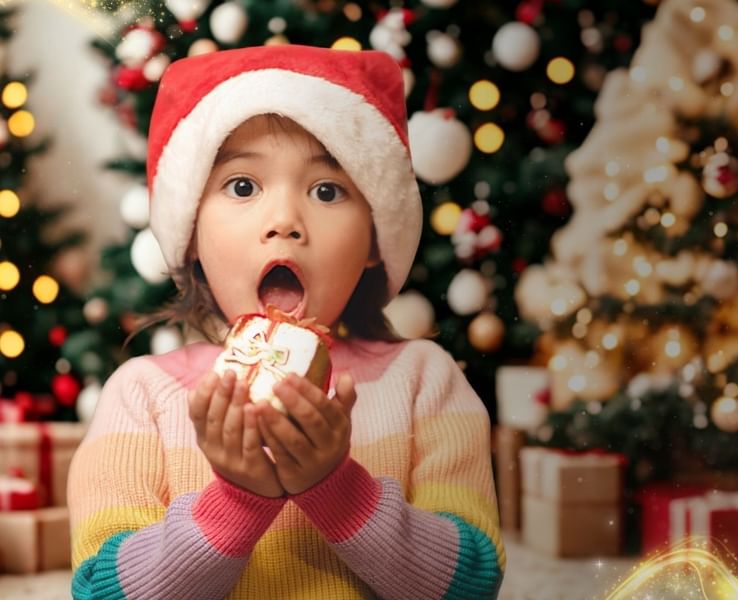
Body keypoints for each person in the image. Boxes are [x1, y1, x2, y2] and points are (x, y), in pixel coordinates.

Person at [68, 44, 505, 599]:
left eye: (327, 190)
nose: (284, 222)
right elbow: (101, 592)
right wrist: (236, 499)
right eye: (243, 186)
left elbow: (471, 584)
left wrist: (335, 487)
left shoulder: (426, 382)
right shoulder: (142, 396)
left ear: (374, 238)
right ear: (192, 231)